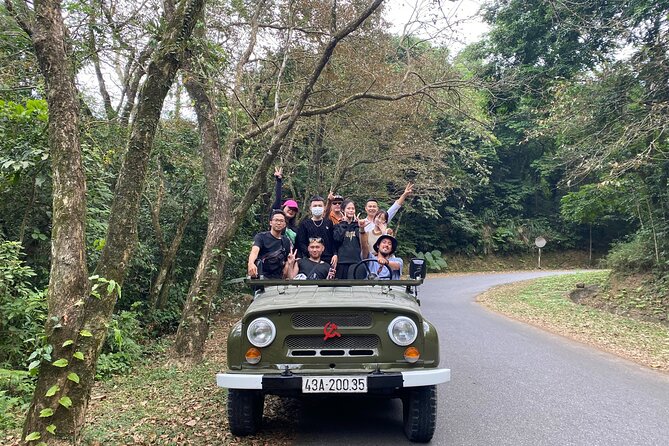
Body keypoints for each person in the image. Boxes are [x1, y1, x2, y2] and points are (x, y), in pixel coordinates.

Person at [295, 195, 338, 268]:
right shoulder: (304, 224)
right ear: (310, 208)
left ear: (324, 207)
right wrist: (312, 253)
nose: (317, 207)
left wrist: (335, 254)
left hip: (328, 259)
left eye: (320, 205)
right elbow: (301, 243)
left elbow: (332, 241)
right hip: (310, 260)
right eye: (315, 206)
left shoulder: (329, 223)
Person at [247, 210, 292, 279]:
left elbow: (286, 261)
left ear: (284, 224)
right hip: (261, 277)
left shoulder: (286, 241)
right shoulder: (261, 237)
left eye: (281, 221)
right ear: (271, 222)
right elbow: (254, 251)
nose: (279, 223)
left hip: (278, 279)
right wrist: (251, 263)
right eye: (276, 220)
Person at [333, 200, 369, 279]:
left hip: (355, 261)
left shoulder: (358, 226)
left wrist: (359, 226)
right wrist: (344, 223)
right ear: (343, 210)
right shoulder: (338, 226)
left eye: (353, 208)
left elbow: (362, 242)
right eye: (348, 208)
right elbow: (337, 239)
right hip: (341, 262)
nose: (351, 210)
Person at [270, 167, 299, 243]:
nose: (291, 211)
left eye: (294, 210)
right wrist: (279, 181)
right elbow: (278, 199)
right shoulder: (275, 220)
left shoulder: (295, 229)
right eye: (289, 208)